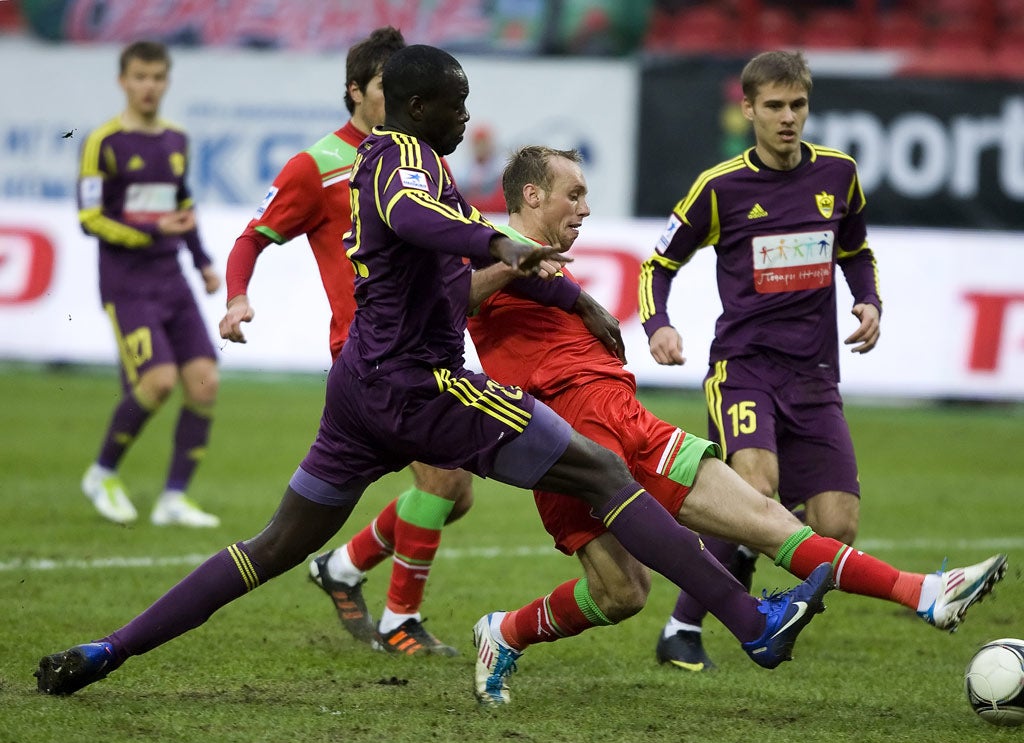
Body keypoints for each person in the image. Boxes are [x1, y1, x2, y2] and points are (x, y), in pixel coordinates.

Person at [35, 44, 834, 700]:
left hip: (358, 390)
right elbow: (416, 220)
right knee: (597, 467)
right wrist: (499, 244)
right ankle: (750, 620)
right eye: (457, 103)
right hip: (419, 384)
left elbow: (440, 270)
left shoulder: (402, 161)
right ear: (421, 109)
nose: (466, 115)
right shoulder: (402, 159)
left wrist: (550, 287)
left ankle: (110, 649)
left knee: (271, 546)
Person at [465, 145, 1007, 705]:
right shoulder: (480, 247)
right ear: (532, 196)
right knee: (650, 576)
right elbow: (454, 297)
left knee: (716, 541)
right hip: (570, 436)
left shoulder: (552, 268)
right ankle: (744, 618)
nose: (584, 209)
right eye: (573, 194)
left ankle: (925, 592)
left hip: (616, 414)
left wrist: (577, 299)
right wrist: (518, 263)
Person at [218, 27, 466, 656]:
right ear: (357, 91)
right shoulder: (317, 165)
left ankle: (344, 566)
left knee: (453, 493)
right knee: (439, 484)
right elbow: (253, 236)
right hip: (368, 354)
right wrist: (237, 296)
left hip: (419, 347)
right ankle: (398, 621)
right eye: (389, 86)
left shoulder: (422, 160)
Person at [639, 50, 885, 670]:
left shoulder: (839, 175)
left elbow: (855, 249)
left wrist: (869, 301)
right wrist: (658, 324)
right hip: (743, 368)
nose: (787, 118)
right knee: (754, 488)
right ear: (747, 108)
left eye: (797, 105)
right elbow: (658, 264)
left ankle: (718, 598)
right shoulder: (719, 188)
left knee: (837, 529)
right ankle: (698, 625)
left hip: (816, 377)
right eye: (773, 106)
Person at [77, 40, 220, 529]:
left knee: (205, 383)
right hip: (127, 285)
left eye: (157, 77)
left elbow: (184, 207)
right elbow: (90, 217)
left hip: (173, 280)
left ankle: (173, 498)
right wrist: (149, 232)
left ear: (166, 81)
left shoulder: (176, 140)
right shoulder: (103, 142)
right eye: (140, 77)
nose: (149, 86)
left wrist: (202, 260)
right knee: (157, 382)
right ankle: (101, 473)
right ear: (123, 80)